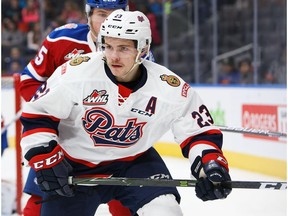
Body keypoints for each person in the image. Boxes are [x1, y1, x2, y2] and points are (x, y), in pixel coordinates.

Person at [20, 10, 232, 216]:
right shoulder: (76, 73)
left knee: (166, 211)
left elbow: (198, 132)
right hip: (74, 166)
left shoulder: (168, 86)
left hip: (133, 162)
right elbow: (37, 114)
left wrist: (210, 165)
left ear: (143, 48)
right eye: (108, 46)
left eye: (123, 48)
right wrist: (44, 155)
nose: (113, 56)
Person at [19, 1, 135, 215]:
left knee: (131, 206)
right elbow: (29, 82)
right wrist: (57, 110)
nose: (109, 21)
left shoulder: (138, 46)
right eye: (102, 14)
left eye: (116, 14)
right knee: (39, 204)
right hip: (64, 142)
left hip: (111, 141)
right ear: (88, 15)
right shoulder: (62, 39)